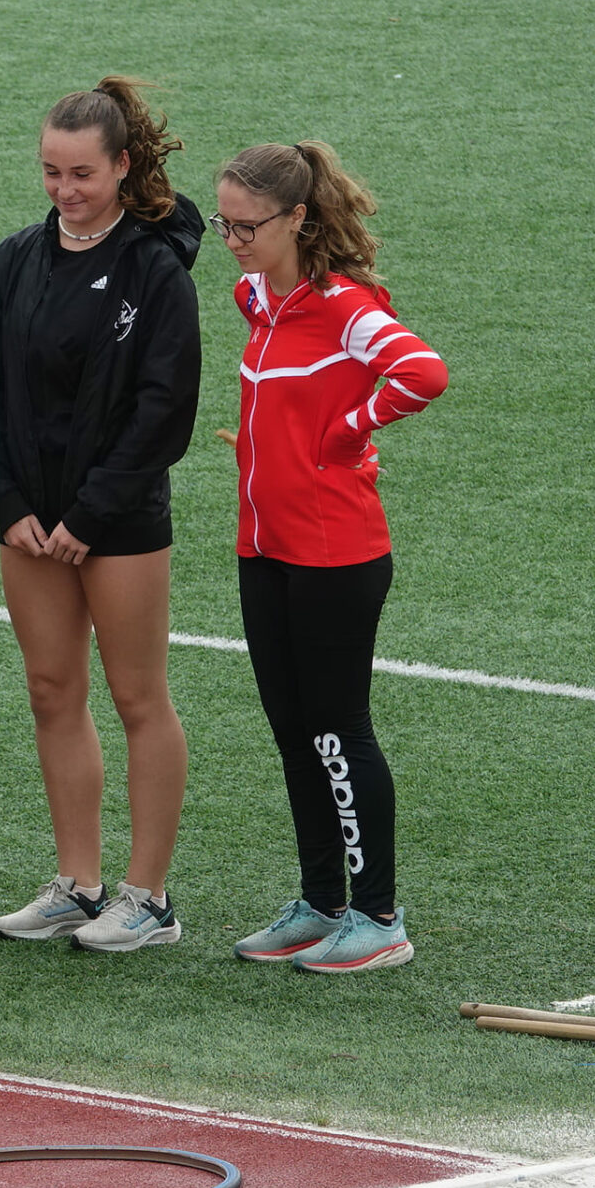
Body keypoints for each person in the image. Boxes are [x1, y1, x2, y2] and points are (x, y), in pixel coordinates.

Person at [0, 79, 202, 953]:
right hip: (30, 520)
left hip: (119, 520)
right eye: (50, 172)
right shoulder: (14, 260)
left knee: (138, 694)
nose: (65, 189)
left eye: (82, 174)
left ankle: (148, 897)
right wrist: (9, 503)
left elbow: (163, 411)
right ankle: (78, 881)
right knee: (50, 690)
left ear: (122, 166)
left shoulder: (155, 270)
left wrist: (92, 512)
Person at [216, 142, 445, 974]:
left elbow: (423, 372)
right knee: (292, 731)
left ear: (297, 219)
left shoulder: (344, 308)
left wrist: (349, 429)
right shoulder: (255, 299)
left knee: (338, 731)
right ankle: (321, 903)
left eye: (248, 226)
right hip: (264, 546)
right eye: (225, 223)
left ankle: (379, 915)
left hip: (334, 555)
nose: (234, 239)